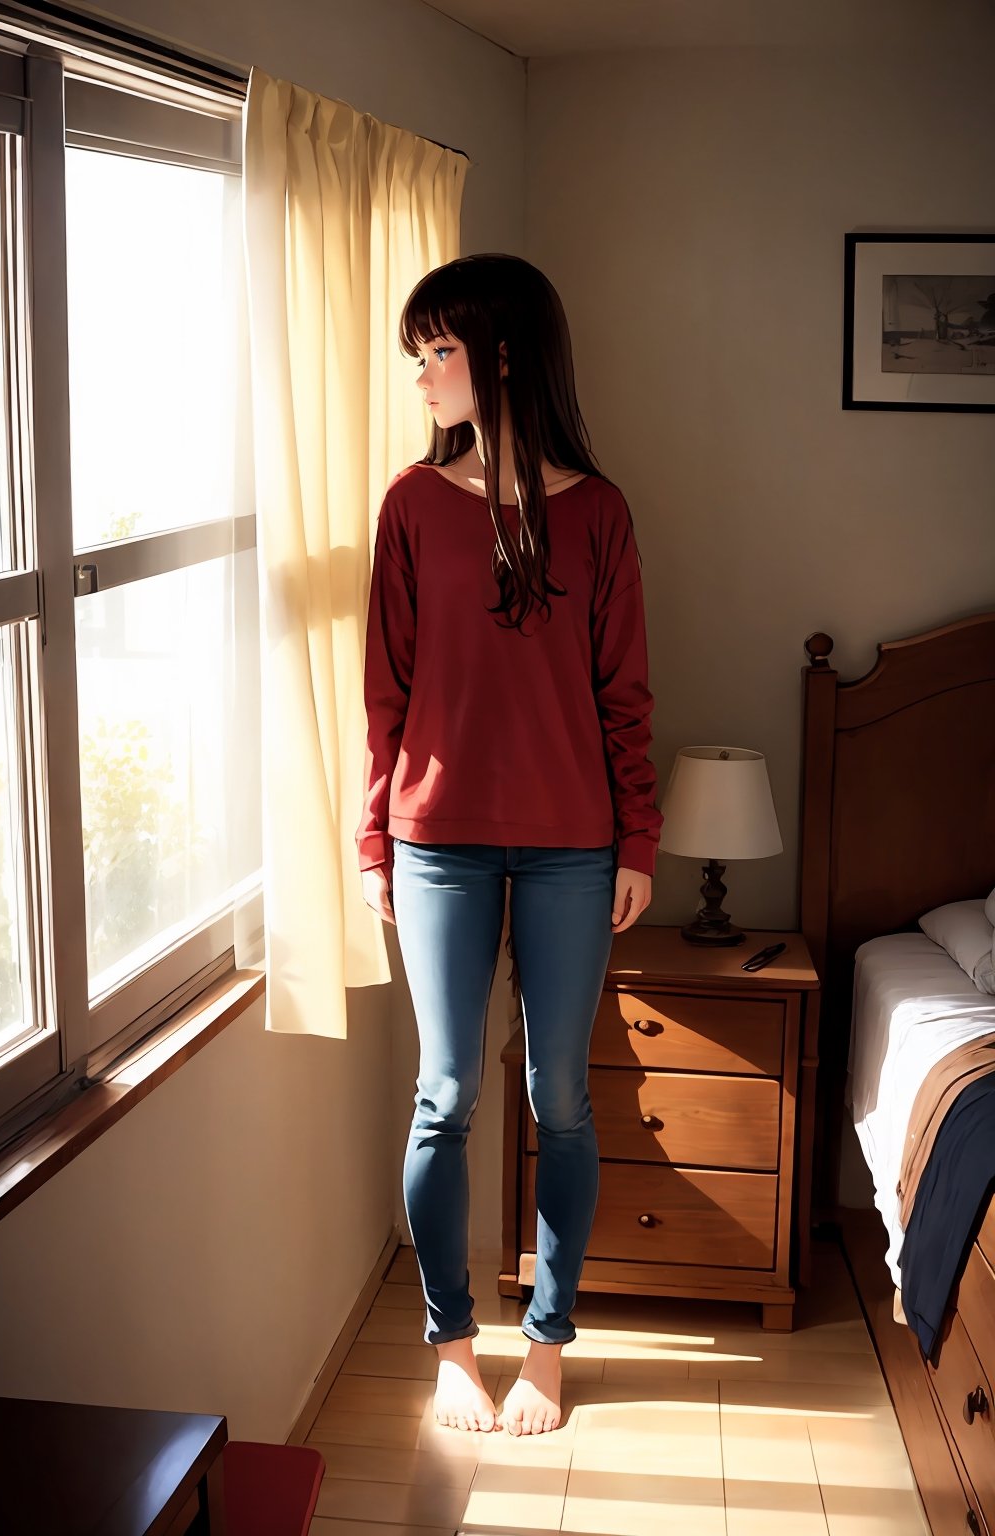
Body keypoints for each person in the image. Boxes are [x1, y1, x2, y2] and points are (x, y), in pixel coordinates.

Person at [356, 253, 663, 1436]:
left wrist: (637, 837)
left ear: (498, 355)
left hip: (573, 850)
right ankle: (450, 1341)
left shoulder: (599, 513)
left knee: (562, 1097)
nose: (421, 375)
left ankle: (547, 1342)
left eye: (436, 351)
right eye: (416, 353)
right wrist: (374, 837)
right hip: (435, 842)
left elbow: (624, 693)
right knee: (443, 1095)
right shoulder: (410, 506)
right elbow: (383, 691)